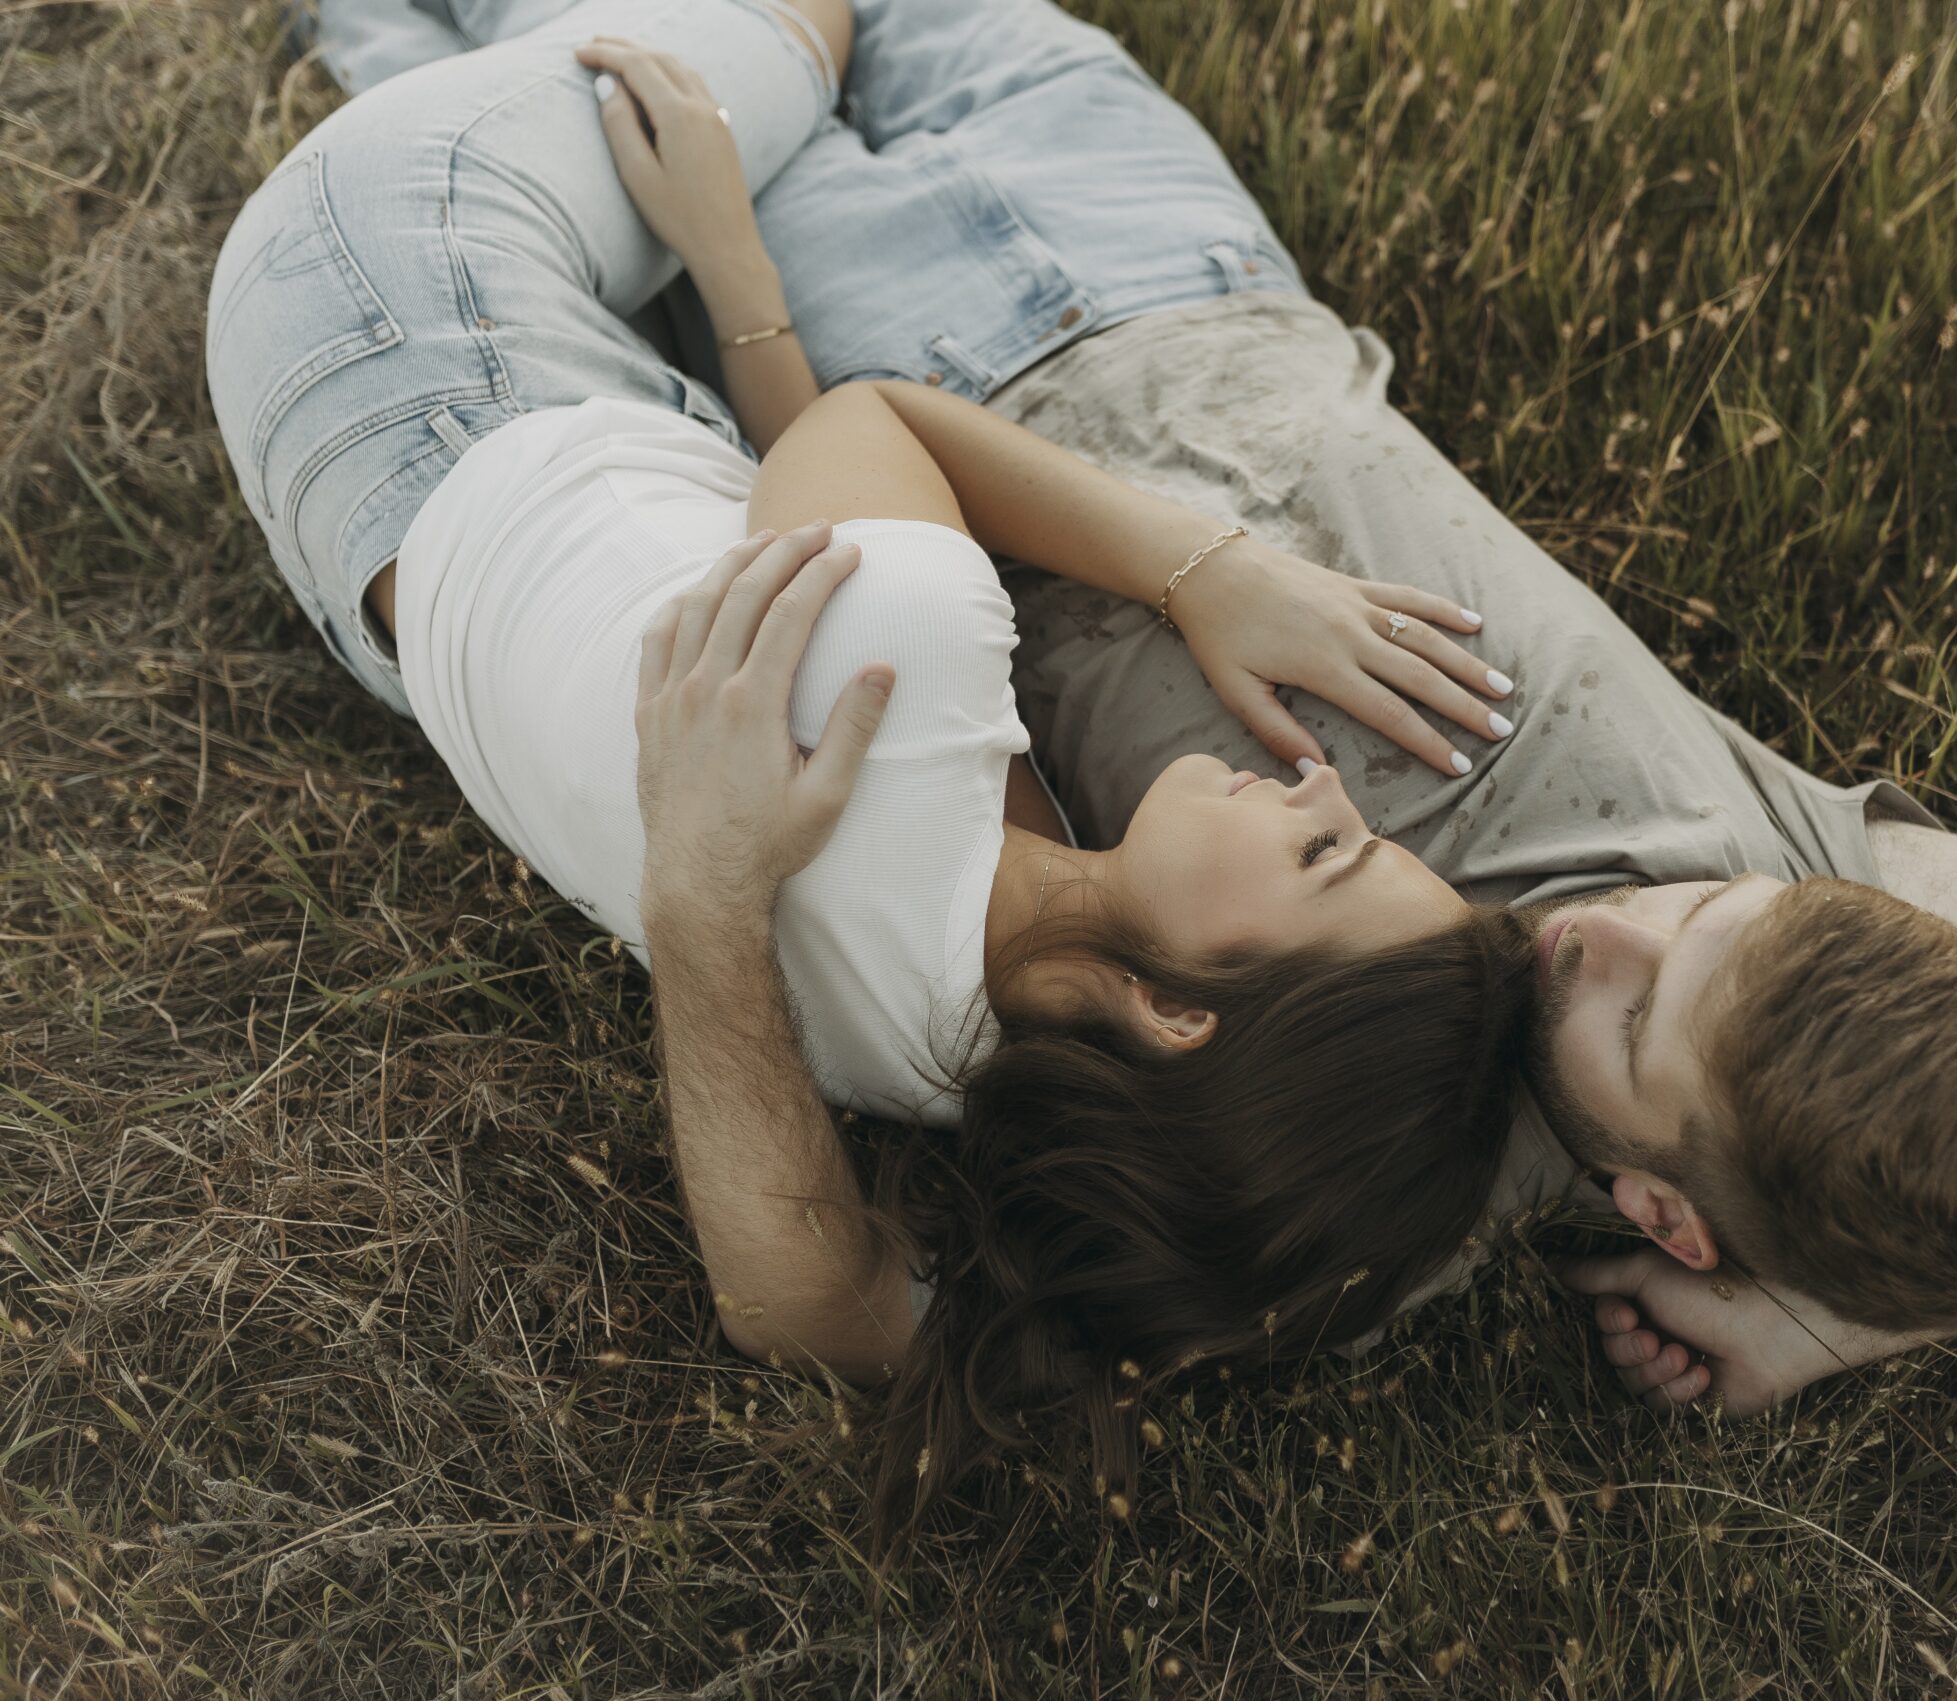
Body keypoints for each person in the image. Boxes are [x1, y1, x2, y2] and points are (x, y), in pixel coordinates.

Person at [273, 0, 1957, 1426]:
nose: (1611, 921)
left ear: (1652, 1210)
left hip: (885, 378)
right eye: (1705, 914)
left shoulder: (1364, 1157)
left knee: (486, 65)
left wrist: (1791, 1297)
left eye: (1640, 1008)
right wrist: (1821, 1315)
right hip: (1164, 241)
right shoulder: (1821, 900)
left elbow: (856, 1311)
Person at [206, 0, 1545, 1535]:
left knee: (803, 34)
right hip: (378, 546)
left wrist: (1205, 569)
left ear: (1181, 1015)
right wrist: (708, 907)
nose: (1323, 788)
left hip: (400, 300)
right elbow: (808, 1311)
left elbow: (870, 417)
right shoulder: (964, 1057)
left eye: (1331, 855)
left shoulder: (890, 699)